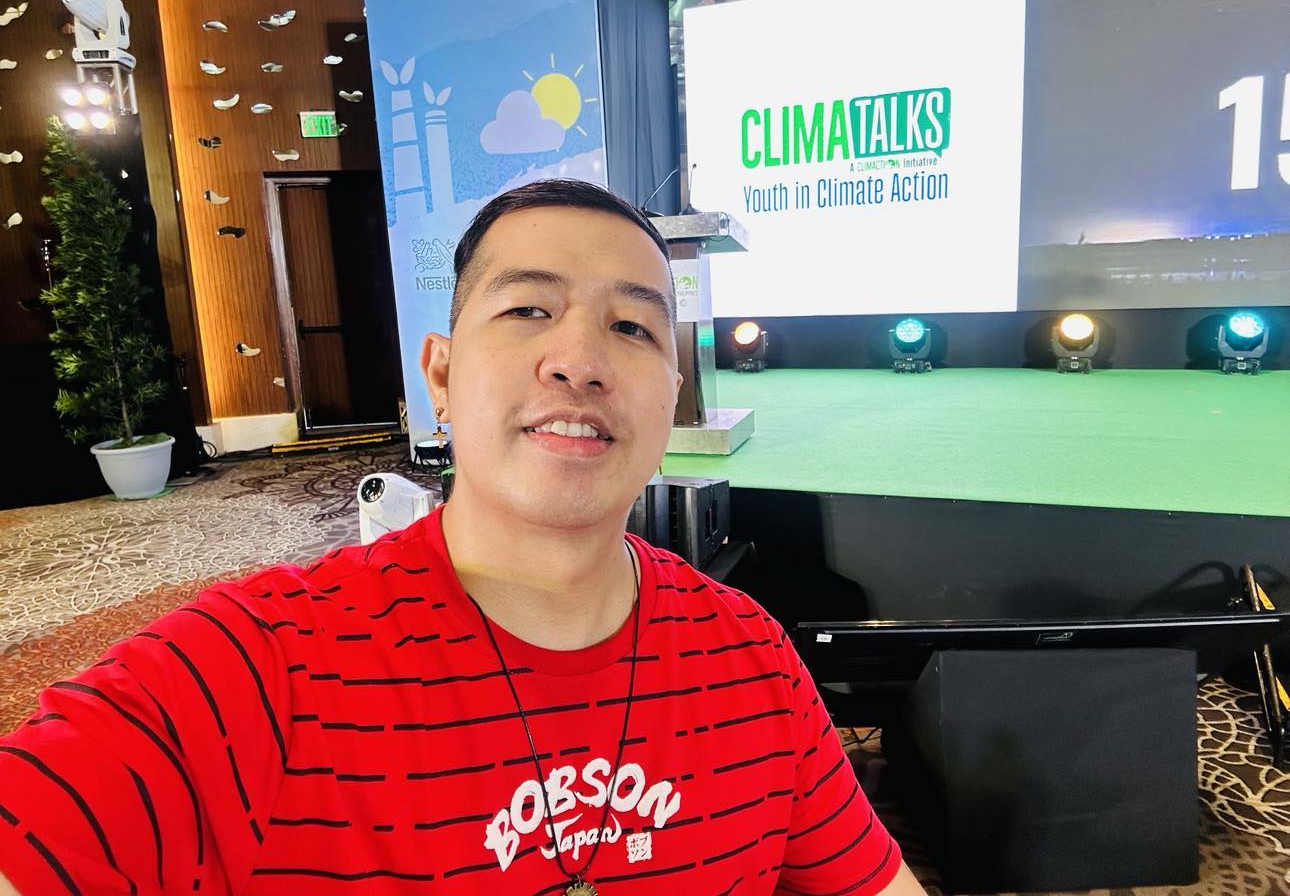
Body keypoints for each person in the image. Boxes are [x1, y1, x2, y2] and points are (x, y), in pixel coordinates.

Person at [0, 179, 923, 895]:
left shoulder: (750, 658)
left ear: (670, 397)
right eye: (528, 310)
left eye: (632, 326)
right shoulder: (255, 669)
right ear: (439, 378)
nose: (579, 360)